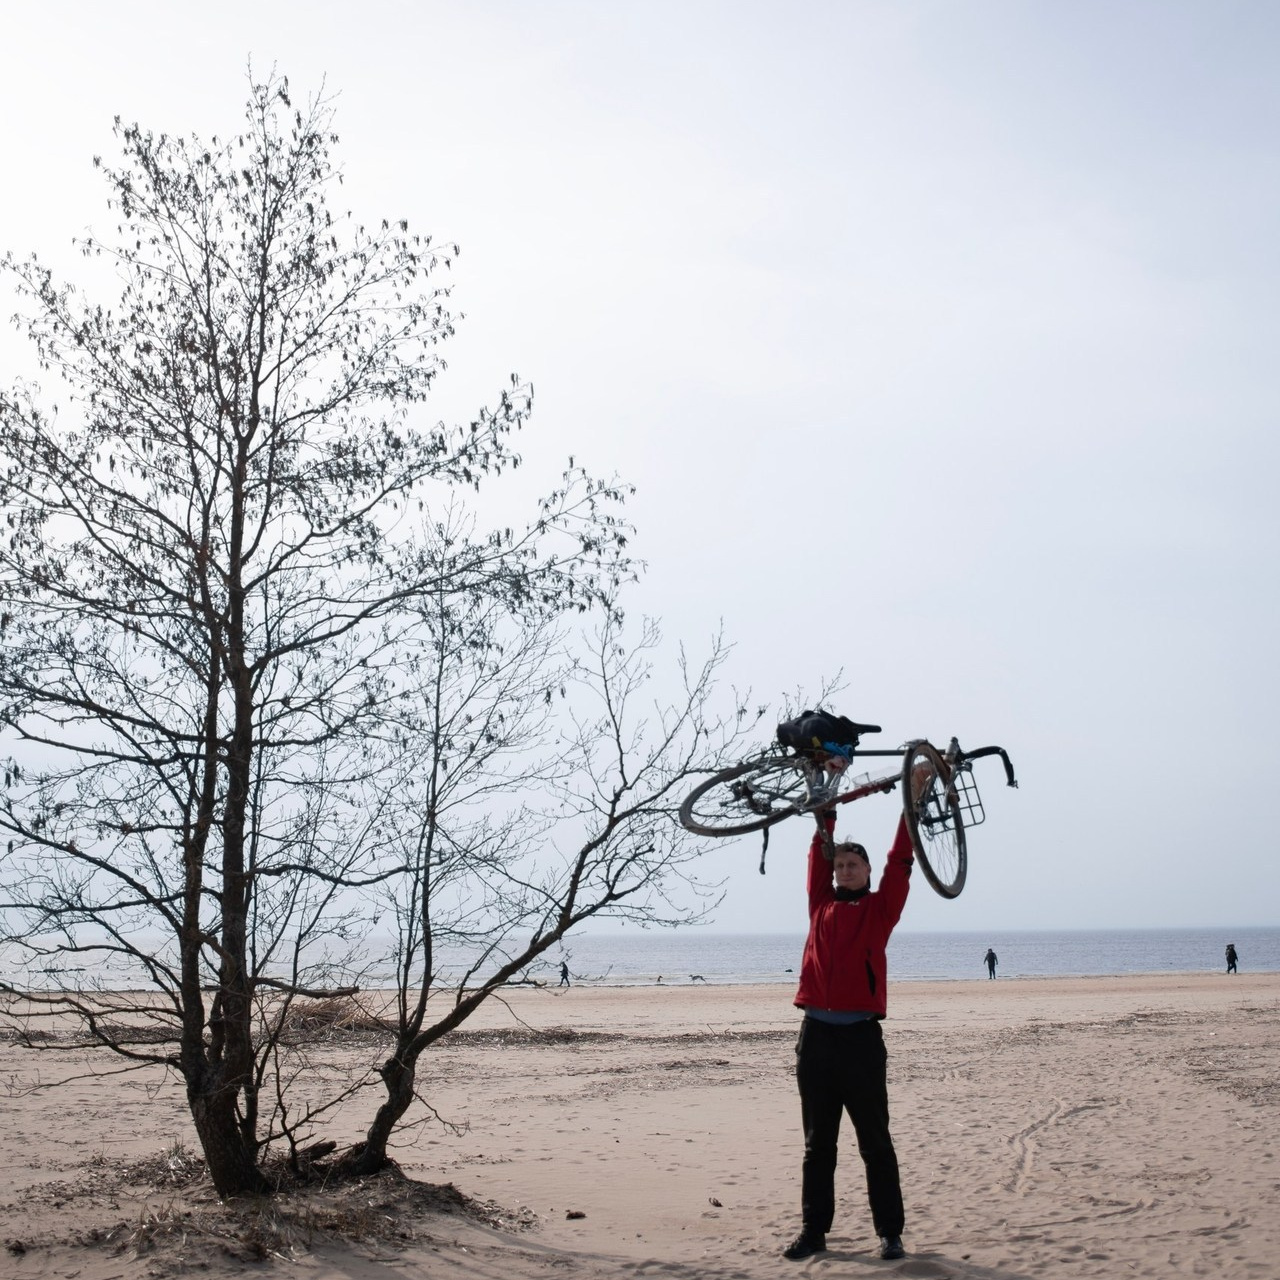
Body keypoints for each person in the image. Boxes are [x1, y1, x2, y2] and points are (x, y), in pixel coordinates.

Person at [783, 809, 914, 1263]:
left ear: (867, 870)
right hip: (816, 1039)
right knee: (818, 1145)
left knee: (875, 1143)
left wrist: (909, 807)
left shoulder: (881, 909)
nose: (844, 870)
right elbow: (816, 855)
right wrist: (826, 808)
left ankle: (890, 1234)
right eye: (839, 865)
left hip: (860, 1041)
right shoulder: (820, 903)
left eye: (852, 864)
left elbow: (900, 861)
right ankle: (813, 1232)